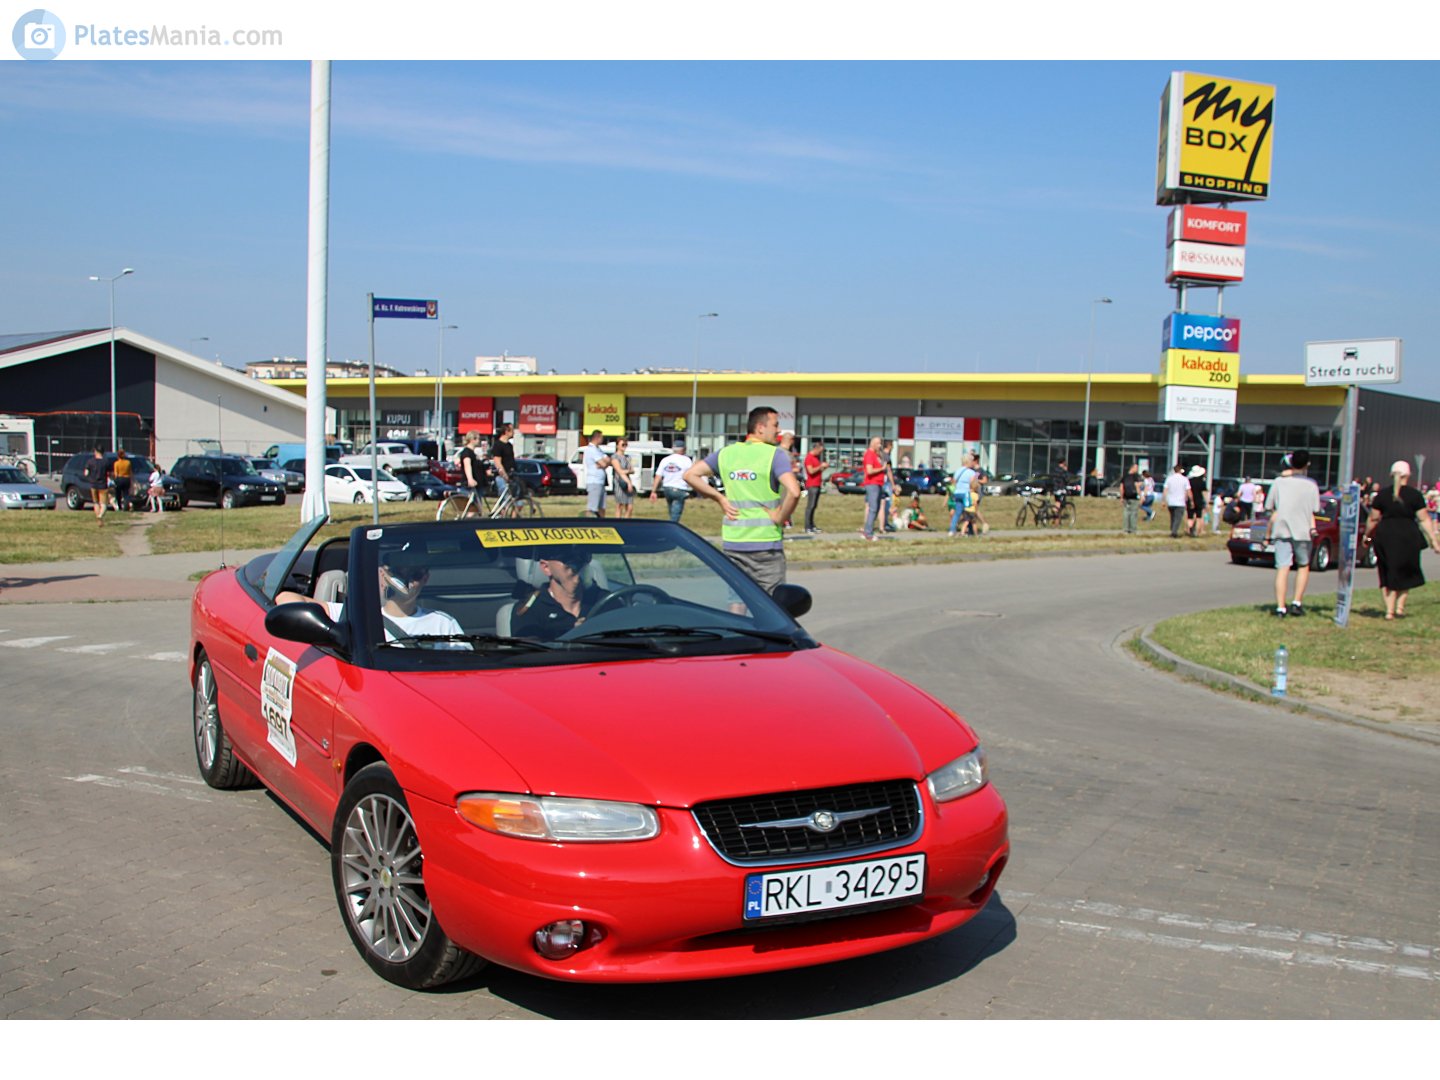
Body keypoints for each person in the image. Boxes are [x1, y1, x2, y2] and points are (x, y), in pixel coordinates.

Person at [683, 405, 801, 594]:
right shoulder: (775, 455)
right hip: (765, 543)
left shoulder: (726, 453)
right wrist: (780, 517)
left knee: (737, 600)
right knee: (772, 604)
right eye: (775, 425)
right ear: (760, 427)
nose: (779, 431)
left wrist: (719, 498)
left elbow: (690, 475)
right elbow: (794, 492)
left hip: (734, 541)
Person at [275, 553, 468, 648]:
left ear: (425, 578)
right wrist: (329, 629)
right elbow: (285, 599)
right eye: (401, 572)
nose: (408, 581)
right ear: (383, 574)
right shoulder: (352, 616)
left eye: (415, 574)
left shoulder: (443, 623)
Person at [1363, 460, 1440, 620]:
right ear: (1408, 475)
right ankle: (1399, 608)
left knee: (1387, 572)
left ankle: (1389, 611)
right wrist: (1434, 540)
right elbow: (1424, 519)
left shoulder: (1382, 495)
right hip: (1408, 536)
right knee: (1407, 571)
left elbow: (1373, 519)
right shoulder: (1415, 495)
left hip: (1386, 535)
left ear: (1391, 475)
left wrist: (1367, 536)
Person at [1264, 448, 1321, 618]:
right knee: (1303, 565)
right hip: (1302, 530)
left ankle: (1280, 607)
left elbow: (1269, 506)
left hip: (1282, 528)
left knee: (1283, 567)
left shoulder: (1278, 482)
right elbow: (1315, 508)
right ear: (1307, 464)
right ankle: (1297, 602)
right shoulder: (1311, 485)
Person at [511, 549, 609, 640]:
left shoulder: (606, 601)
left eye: (583, 555)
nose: (577, 562)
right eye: (567, 557)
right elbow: (529, 655)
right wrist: (573, 634)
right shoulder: (530, 609)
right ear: (546, 568)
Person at [649, 439, 694, 523]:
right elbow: (691, 475)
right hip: (679, 488)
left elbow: (658, 476)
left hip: (667, 488)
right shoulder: (686, 460)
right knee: (676, 515)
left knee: (671, 511)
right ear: (683, 449)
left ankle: (671, 524)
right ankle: (672, 528)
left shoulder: (665, 460)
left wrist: (653, 491)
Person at [581, 430, 612, 518]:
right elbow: (603, 463)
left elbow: (608, 461)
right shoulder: (591, 449)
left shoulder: (598, 449)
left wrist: (604, 463)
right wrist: (603, 463)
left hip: (601, 482)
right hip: (594, 481)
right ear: (597, 437)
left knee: (602, 507)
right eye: (601, 437)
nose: (602, 439)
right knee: (593, 507)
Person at [859, 436, 886, 541]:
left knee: (877, 507)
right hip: (872, 484)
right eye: (878, 444)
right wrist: (881, 469)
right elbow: (869, 471)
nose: (880, 446)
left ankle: (867, 530)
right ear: (873, 444)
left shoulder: (876, 454)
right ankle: (869, 533)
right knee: (873, 508)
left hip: (878, 483)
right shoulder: (869, 454)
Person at [948, 452, 978, 537]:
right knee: (968, 512)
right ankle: (969, 531)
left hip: (957, 493)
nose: (973, 463)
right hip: (966, 494)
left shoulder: (958, 470)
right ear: (969, 461)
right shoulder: (971, 472)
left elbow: (953, 481)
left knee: (957, 512)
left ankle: (952, 530)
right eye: (972, 461)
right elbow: (974, 483)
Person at [491, 423, 518, 511]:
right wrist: (504, 474)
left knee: (517, 500)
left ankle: (513, 521)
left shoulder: (509, 445)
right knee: (505, 501)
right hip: (502, 476)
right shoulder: (498, 445)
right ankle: (503, 521)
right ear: (506, 431)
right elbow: (497, 462)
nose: (514, 432)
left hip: (511, 475)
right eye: (512, 430)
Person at [457, 431, 485, 513]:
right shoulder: (467, 452)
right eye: (477, 439)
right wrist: (470, 479)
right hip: (470, 485)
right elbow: (467, 465)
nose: (479, 441)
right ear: (472, 440)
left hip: (477, 484)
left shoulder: (473, 453)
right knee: (473, 509)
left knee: (477, 508)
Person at [802, 437, 825, 533]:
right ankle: (807, 526)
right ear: (816, 448)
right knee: (810, 506)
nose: (821, 453)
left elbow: (817, 470)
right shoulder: (809, 458)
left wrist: (822, 468)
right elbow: (811, 471)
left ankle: (812, 525)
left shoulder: (816, 458)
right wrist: (820, 466)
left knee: (814, 505)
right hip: (812, 485)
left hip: (818, 483)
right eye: (820, 451)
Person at [1162, 464, 1190, 538]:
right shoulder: (1185, 479)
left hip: (1171, 501)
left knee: (1173, 517)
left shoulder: (1169, 478)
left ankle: (1173, 530)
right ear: (1181, 470)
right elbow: (1188, 491)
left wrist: (1164, 500)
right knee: (1178, 518)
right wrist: (1189, 499)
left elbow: (1165, 490)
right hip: (1180, 502)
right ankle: (1174, 532)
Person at [81, 448, 109, 523]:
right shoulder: (105, 462)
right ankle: (100, 516)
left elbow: (86, 473)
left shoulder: (90, 461)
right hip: (103, 485)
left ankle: (98, 518)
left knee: (95, 502)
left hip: (93, 484)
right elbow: (111, 474)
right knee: (104, 504)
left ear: (95, 451)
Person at [611, 438, 636, 519]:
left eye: (626, 444)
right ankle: (618, 522)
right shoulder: (614, 457)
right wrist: (628, 481)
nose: (624, 446)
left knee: (629, 506)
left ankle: (627, 522)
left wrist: (627, 472)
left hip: (628, 482)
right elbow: (619, 471)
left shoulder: (627, 457)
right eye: (622, 444)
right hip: (619, 483)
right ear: (617, 445)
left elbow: (632, 470)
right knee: (620, 505)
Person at [1186, 465, 1208, 537]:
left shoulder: (1189, 481)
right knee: (1199, 516)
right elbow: (1204, 492)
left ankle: (1190, 530)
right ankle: (1198, 532)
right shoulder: (1202, 482)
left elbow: (1187, 491)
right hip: (1199, 500)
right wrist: (1206, 502)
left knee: (1190, 516)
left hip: (1190, 500)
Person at [1120, 462, 1141, 534]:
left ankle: (1126, 529)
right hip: (1134, 497)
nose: (1137, 469)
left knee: (1126, 513)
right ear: (1132, 468)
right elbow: (1137, 486)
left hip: (1126, 496)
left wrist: (1121, 497)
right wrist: (1140, 495)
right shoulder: (1135, 476)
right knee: (1133, 513)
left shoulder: (1124, 476)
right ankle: (1133, 529)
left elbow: (1121, 487)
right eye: (1136, 468)